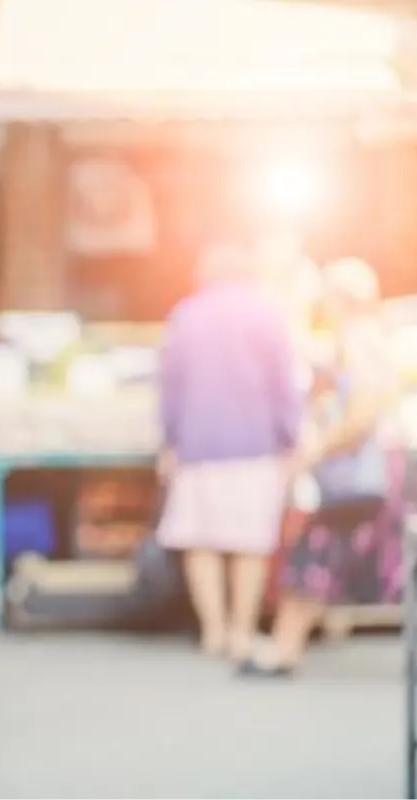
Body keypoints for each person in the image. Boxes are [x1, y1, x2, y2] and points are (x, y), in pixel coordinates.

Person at [242, 257, 401, 677]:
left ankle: (283, 649)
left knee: (313, 557)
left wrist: (319, 449)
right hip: (372, 471)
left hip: (357, 472)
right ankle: (284, 647)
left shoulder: (358, 340)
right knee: (389, 564)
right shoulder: (368, 338)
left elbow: (363, 409)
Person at [156, 241, 301, 662]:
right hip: (254, 443)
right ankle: (241, 631)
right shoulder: (266, 314)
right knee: (249, 543)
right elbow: (284, 384)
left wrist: (169, 439)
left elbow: (170, 386)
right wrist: (289, 436)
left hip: (198, 443)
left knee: (200, 540)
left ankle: (213, 630)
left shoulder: (186, 315)